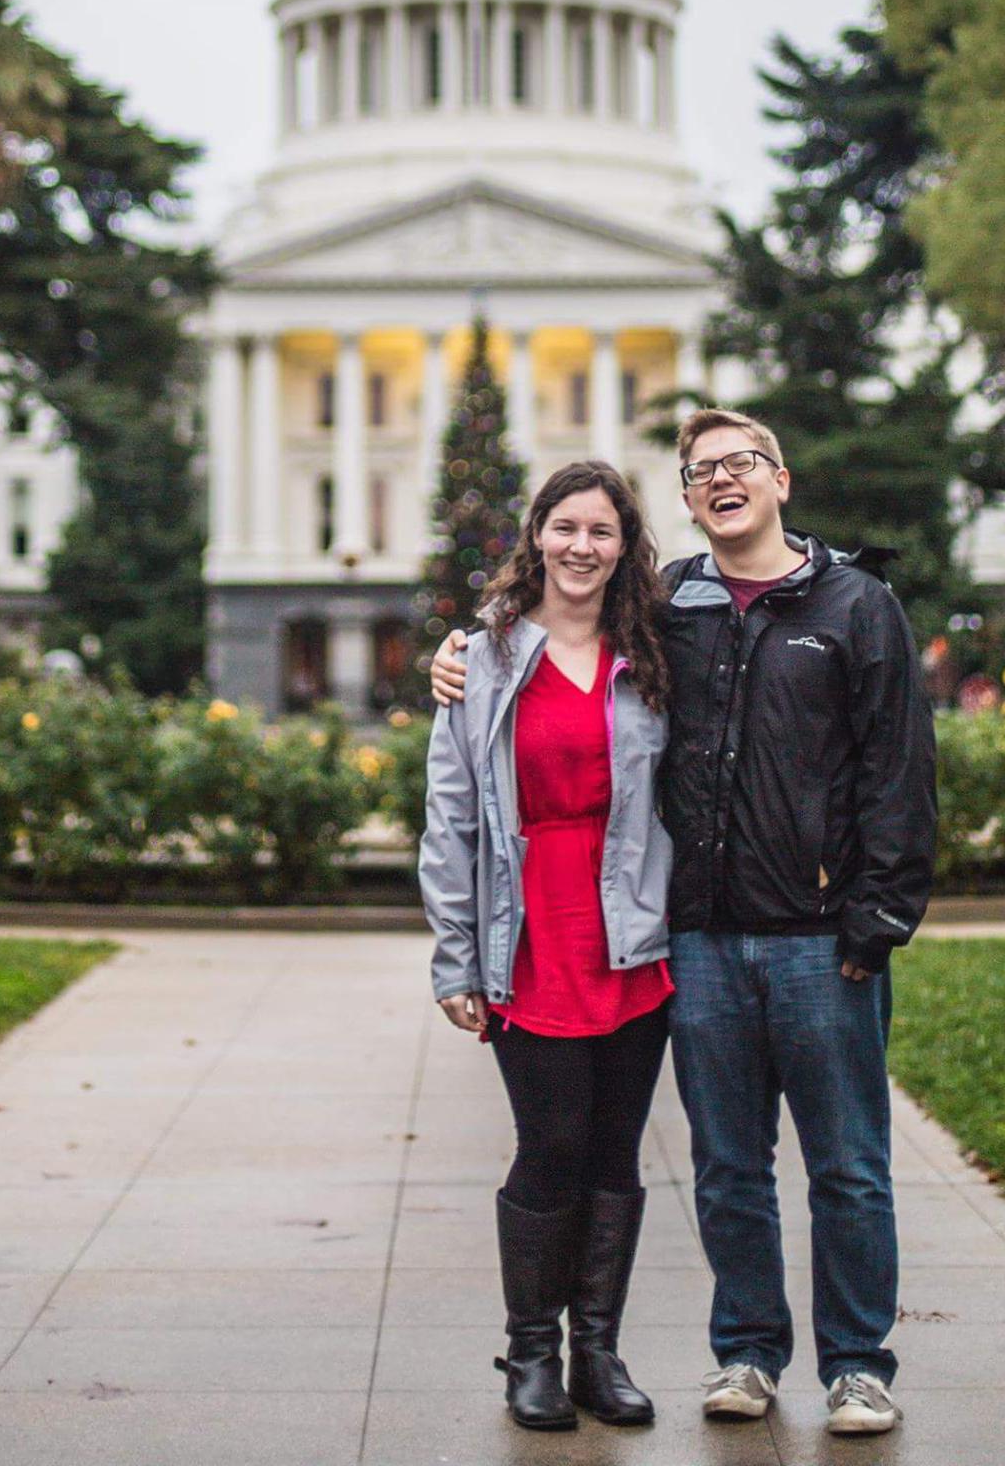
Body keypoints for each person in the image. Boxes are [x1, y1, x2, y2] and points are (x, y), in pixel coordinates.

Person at [433, 406, 937, 1438]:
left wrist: (875, 914)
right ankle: (739, 1351)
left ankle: (852, 1364)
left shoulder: (849, 603)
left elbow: (897, 770)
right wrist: (457, 651)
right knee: (720, 1163)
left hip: (803, 936)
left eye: (741, 460)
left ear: (779, 477)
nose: (721, 478)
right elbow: (480, 758)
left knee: (842, 1160)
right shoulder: (670, 613)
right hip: (688, 935)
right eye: (700, 467)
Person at [420, 461, 674, 1431]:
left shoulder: (651, 647)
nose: (580, 546)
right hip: (525, 932)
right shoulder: (481, 656)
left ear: (624, 545)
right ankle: (529, 1351)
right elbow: (449, 817)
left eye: (600, 530)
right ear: (536, 536)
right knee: (551, 1142)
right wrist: (453, 955)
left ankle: (595, 1353)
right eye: (563, 526)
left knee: (614, 1149)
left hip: (631, 933)